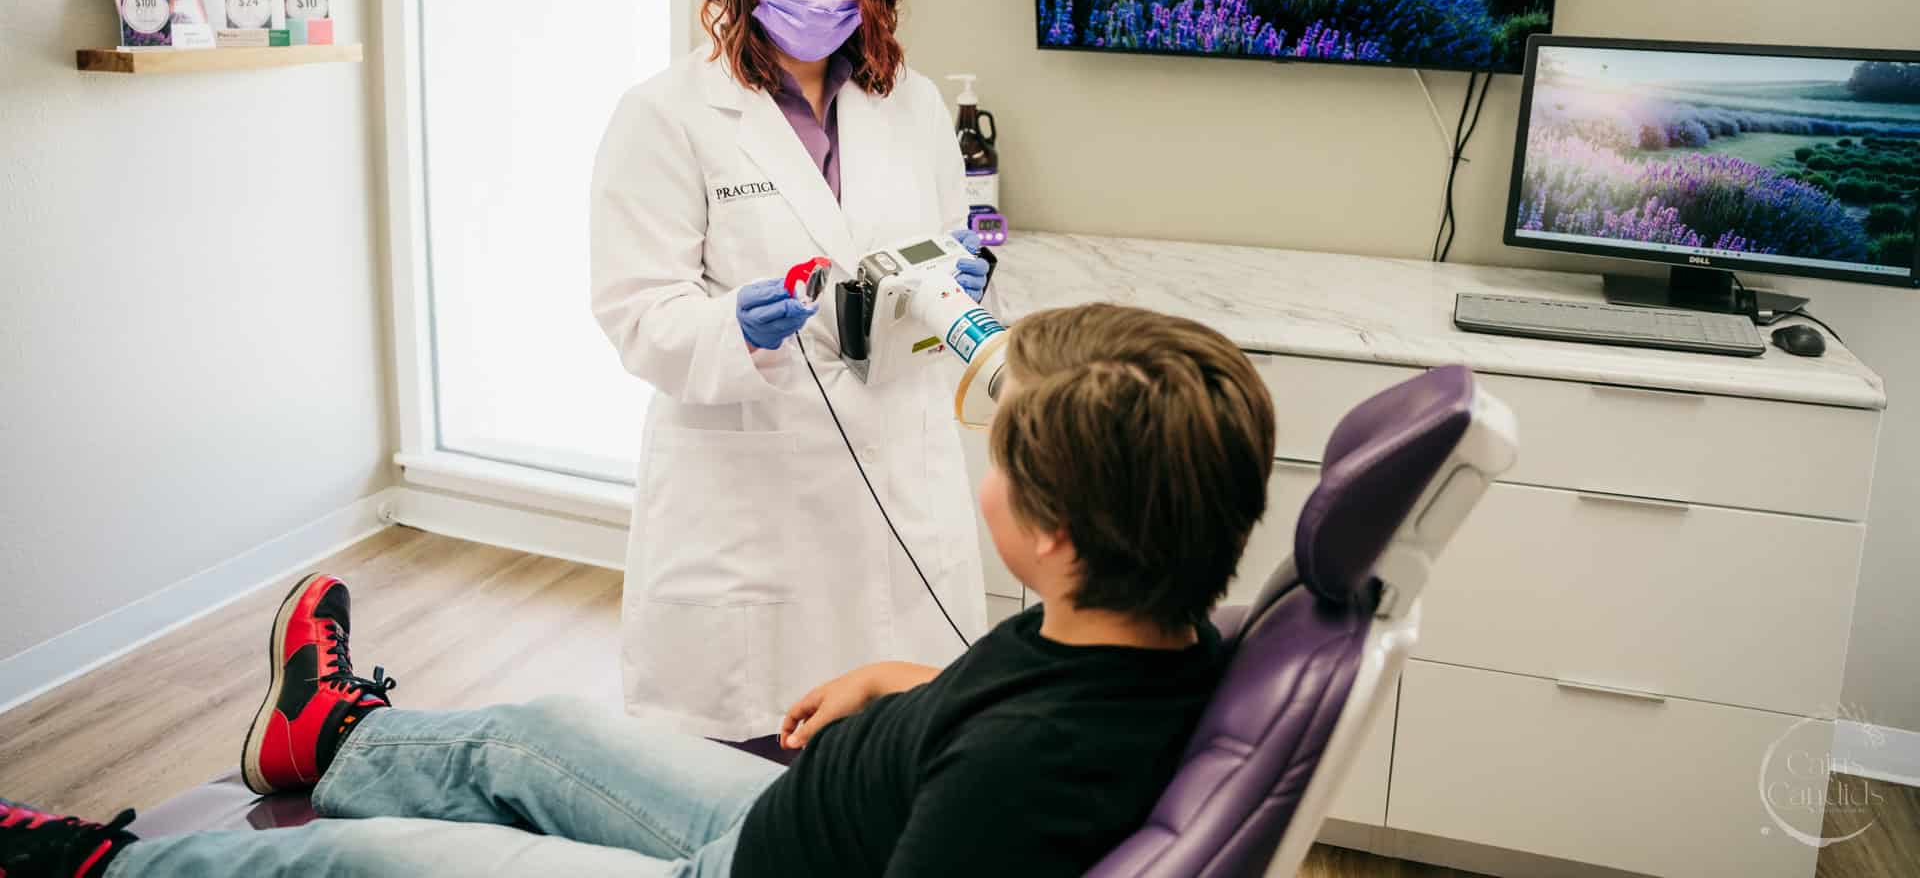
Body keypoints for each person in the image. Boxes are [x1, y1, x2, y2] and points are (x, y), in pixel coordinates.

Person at [0, 302, 1274, 878]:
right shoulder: (1164, 628)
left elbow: (1012, 767)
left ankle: (85, 863)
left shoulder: (1026, 772)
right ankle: (329, 733)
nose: (978, 465)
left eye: (999, 457)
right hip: (777, 822)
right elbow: (1028, 699)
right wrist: (913, 685)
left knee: (358, 863)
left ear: (1055, 537)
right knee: (542, 729)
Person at [589, 0, 993, 753]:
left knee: (898, 754)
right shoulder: (667, 114)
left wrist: (954, 283)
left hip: (899, 469)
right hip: (751, 493)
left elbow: (941, 246)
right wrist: (729, 325)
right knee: (746, 767)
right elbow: (635, 311)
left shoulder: (912, 105)